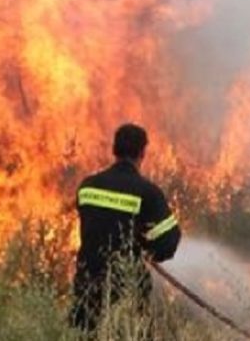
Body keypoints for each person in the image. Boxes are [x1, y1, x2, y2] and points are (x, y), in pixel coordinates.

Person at [70, 123, 182, 333]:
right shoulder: (147, 192)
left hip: (87, 285)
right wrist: (147, 247)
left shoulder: (87, 187)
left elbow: (95, 224)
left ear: (115, 149)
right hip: (126, 289)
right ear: (142, 153)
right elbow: (169, 241)